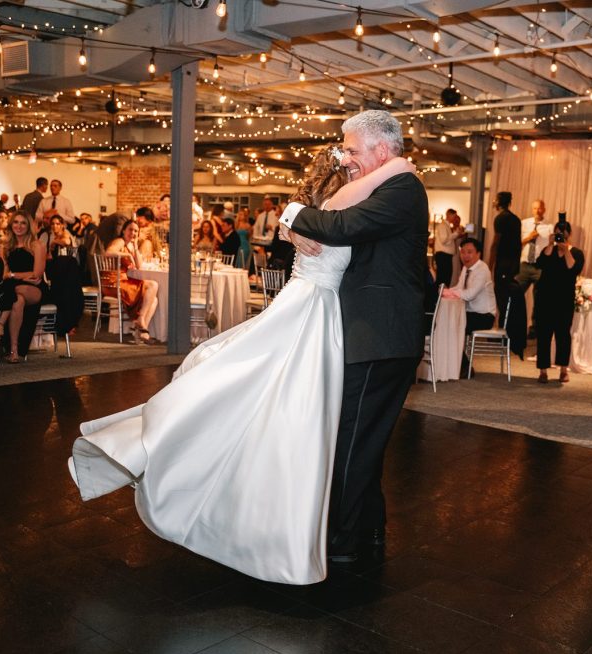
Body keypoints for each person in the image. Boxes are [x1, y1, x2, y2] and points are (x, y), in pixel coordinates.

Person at [69, 147, 414, 584]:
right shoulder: (335, 207)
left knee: (284, 408)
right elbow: (348, 220)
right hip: (313, 312)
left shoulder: (311, 210)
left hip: (311, 308)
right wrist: (398, 166)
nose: (356, 169)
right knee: (299, 414)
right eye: (348, 163)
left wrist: (292, 216)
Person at [280, 110, 428, 564]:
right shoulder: (385, 186)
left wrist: (290, 213)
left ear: (382, 150)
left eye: (351, 149)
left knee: (351, 439)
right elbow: (334, 229)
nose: (345, 158)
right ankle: (368, 527)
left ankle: (342, 543)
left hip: (379, 337)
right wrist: (292, 232)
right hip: (371, 334)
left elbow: (342, 227)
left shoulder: (403, 189)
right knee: (364, 438)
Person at [0, 210, 46, 364]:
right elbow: (4, 274)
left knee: (14, 288)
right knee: (17, 300)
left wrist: (13, 275)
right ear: (11, 225)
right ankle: (14, 351)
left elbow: (36, 274)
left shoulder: (37, 245)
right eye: (16, 222)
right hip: (16, 289)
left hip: (34, 289)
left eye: (23, 223)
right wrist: (16, 276)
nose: (19, 226)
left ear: (29, 226)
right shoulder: (6, 246)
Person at [534, 215, 584, 384]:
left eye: (563, 234)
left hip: (564, 300)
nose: (560, 237)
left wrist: (566, 249)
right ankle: (543, 371)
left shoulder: (576, 253)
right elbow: (540, 263)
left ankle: (563, 369)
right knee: (544, 335)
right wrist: (549, 244)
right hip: (544, 299)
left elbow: (573, 268)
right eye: (557, 234)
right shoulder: (549, 250)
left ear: (569, 235)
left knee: (563, 335)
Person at [442, 237, 497, 377]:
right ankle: (454, 366)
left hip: (484, 316)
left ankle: (465, 367)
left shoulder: (482, 269)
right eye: (462, 252)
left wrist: (449, 292)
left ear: (478, 254)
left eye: (469, 252)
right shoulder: (466, 269)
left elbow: (469, 294)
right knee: (447, 324)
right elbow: (460, 288)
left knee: (452, 326)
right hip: (470, 313)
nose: (465, 256)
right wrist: (445, 291)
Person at [103, 221, 160, 344]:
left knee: (154, 299)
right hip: (113, 281)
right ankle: (140, 321)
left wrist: (134, 248)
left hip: (124, 281)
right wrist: (127, 255)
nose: (133, 233)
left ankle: (138, 332)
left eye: (135, 231)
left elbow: (139, 266)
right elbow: (108, 252)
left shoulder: (131, 245)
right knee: (153, 285)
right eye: (130, 229)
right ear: (123, 230)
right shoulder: (120, 241)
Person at [515, 199, 553, 324]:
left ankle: (535, 328)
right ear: (532, 209)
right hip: (524, 266)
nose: (538, 211)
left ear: (544, 209)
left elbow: (552, 246)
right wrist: (529, 238)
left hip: (540, 267)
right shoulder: (523, 223)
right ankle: (515, 324)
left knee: (540, 299)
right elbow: (516, 244)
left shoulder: (549, 227)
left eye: (540, 208)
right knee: (516, 294)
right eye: (535, 208)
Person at [489, 191, 521, 326]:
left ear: (499, 202)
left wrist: (489, 264)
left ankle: (501, 328)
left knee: (501, 296)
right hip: (513, 264)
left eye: (495, 200)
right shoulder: (516, 219)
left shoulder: (500, 219)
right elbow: (518, 244)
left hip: (503, 263)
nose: (494, 202)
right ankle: (505, 326)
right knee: (508, 297)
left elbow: (496, 242)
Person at [433, 209, 460, 287]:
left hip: (445, 256)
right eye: (454, 216)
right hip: (443, 255)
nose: (455, 219)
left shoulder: (446, 226)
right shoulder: (442, 226)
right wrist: (455, 234)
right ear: (449, 215)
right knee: (443, 279)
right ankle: (439, 297)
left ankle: (442, 296)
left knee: (446, 278)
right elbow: (444, 240)